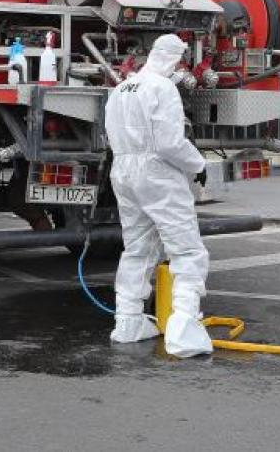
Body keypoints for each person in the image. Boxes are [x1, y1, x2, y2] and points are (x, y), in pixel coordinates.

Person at [104, 33, 212, 357]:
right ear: (176, 60)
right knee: (187, 250)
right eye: (182, 64)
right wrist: (198, 163)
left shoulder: (121, 88)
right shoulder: (162, 88)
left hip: (122, 170)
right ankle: (183, 329)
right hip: (157, 173)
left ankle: (127, 322)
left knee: (137, 248)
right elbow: (169, 142)